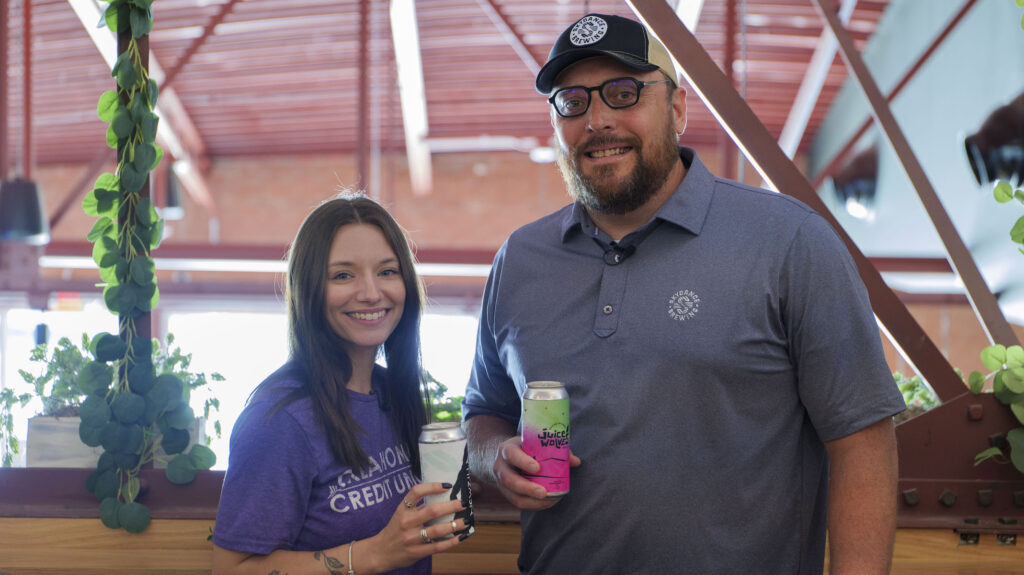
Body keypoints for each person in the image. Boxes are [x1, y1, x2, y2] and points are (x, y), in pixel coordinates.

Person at [462, 13, 906, 574]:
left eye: (623, 93)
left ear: (676, 108)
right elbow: (483, 411)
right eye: (572, 101)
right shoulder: (521, 260)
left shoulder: (789, 242)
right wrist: (493, 455)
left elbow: (861, 440)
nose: (597, 120)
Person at [213, 195, 472, 575]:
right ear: (309, 289)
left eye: (387, 271)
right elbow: (231, 569)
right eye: (342, 275)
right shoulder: (281, 421)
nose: (370, 292)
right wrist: (374, 554)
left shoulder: (393, 394)